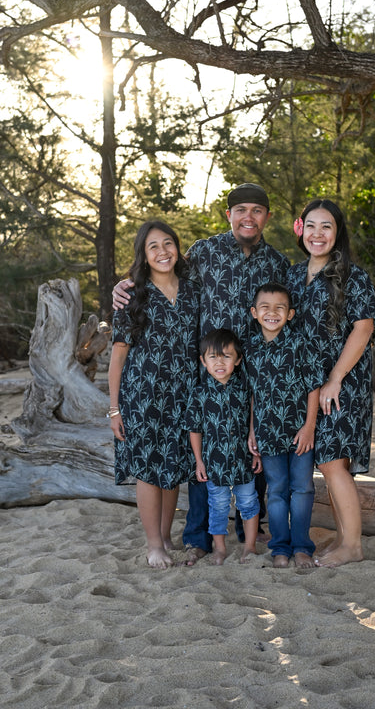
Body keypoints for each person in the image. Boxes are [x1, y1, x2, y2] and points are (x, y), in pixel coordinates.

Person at [113, 183, 290, 564]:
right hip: (204, 375)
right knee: (200, 457)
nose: (248, 217)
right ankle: (198, 538)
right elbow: (162, 271)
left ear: (266, 218)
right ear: (228, 215)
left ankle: (251, 532)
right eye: (240, 209)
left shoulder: (277, 263)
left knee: (252, 449)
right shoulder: (204, 253)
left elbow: (287, 308)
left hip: (253, 373)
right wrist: (124, 285)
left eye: (257, 211)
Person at [287, 199, 375, 568]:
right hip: (309, 385)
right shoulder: (294, 276)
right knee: (329, 461)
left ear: (337, 232)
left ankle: (353, 546)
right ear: (301, 230)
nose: (318, 234)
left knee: (331, 461)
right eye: (311, 226)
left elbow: (364, 326)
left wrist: (335, 379)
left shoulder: (352, 276)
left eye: (326, 227)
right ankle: (344, 538)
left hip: (342, 381)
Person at [108, 220, 199, 569]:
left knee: (174, 467)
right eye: (153, 247)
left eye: (168, 244)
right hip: (142, 396)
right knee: (148, 470)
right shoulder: (132, 295)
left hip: (184, 394)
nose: (162, 252)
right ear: (143, 256)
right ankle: (152, 545)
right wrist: (114, 409)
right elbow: (118, 355)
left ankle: (165, 537)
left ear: (178, 248)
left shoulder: (193, 291)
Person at [245, 283, 321, 569]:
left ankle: (302, 547)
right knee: (276, 490)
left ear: (290, 314)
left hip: (300, 432)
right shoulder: (250, 349)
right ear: (254, 312)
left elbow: (313, 387)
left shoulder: (301, 344)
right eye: (265, 307)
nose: (272, 313)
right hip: (267, 433)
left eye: (280, 308)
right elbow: (253, 394)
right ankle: (280, 547)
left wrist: (309, 427)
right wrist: (252, 429)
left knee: (302, 488)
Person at [186, 328, 261, 565]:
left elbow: (252, 414)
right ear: (203, 361)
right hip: (214, 462)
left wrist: (254, 446)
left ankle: (249, 547)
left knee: (249, 503)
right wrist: (199, 460)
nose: (220, 362)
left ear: (237, 360)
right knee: (217, 506)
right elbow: (195, 429)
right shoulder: (199, 393)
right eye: (213, 357)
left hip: (243, 459)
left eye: (227, 356)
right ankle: (219, 548)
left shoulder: (244, 388)